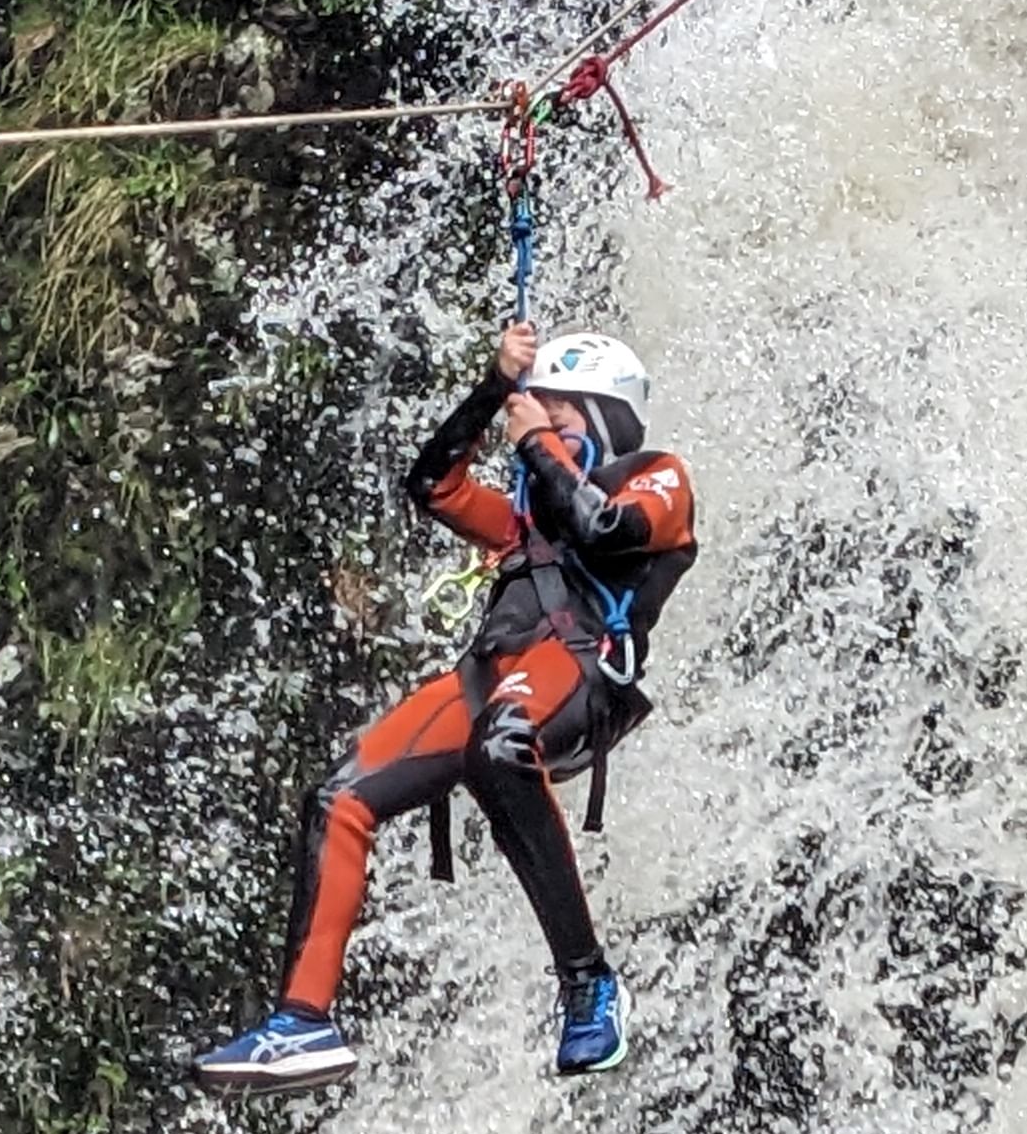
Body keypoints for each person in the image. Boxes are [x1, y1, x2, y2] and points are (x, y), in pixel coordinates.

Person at [195, 318, 697, 1094]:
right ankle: (302, 1021)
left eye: (559, 408)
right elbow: (432, 484)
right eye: (537, 405)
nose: (539, 417)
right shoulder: (526, 522)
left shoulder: (660, 477)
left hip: (578, 673)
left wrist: (537, 442)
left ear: (604, 416)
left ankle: (589, 985)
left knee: (500, 743)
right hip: (494, 677)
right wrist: (494, 385)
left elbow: (605, 528)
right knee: (338, 797)